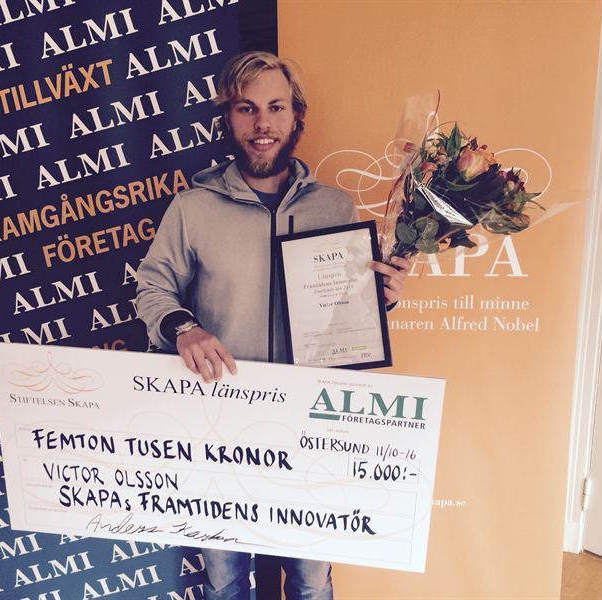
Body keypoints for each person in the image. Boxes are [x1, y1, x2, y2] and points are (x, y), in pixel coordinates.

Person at [135, 51, 410, 600]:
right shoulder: (192, 208)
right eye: (247, 108)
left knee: (310, 581)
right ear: (228, 117)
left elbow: (344, 312)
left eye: (276, 107)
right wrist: (184, 328)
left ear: (296, 116)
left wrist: (381, 300)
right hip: (218, 425)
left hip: (313, 426)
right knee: (225, 582)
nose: (262, 123)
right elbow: (153, 288)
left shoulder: (334, 207)